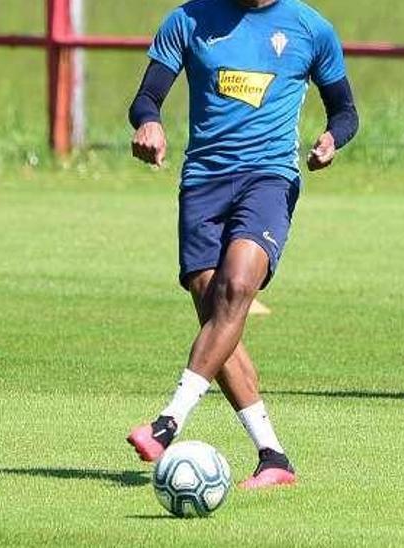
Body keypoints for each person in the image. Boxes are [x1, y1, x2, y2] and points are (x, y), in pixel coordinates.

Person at [124, 0, 359, 490]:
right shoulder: (188, 20)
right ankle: (273, 457)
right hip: (203, 184)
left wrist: (332, 139)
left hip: (269, 180)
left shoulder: (310, 28)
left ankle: (168, 423)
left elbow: (346, 111)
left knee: (235, 289)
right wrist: (149, 123)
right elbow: (146, 98)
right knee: (217, 317)